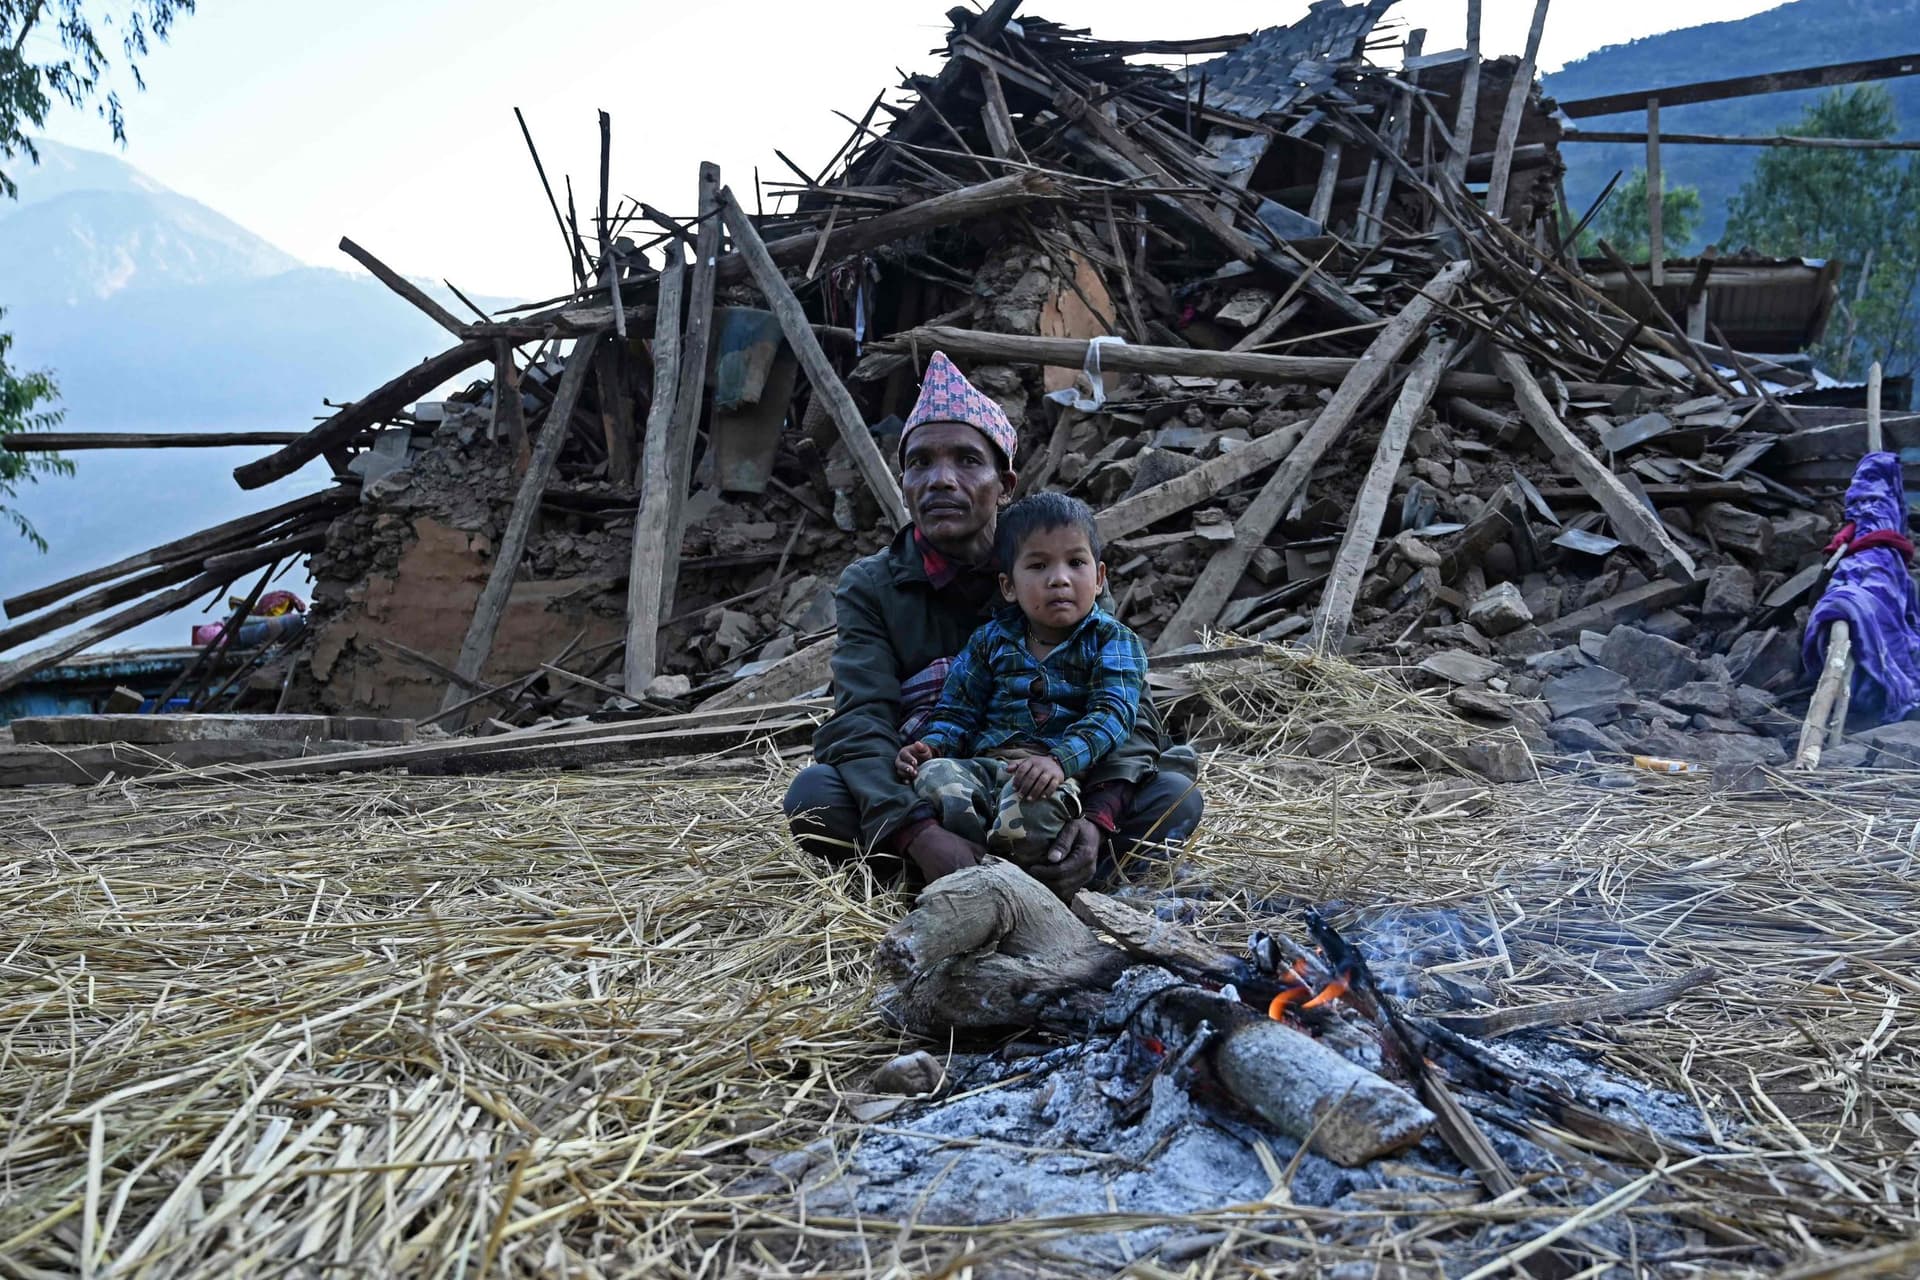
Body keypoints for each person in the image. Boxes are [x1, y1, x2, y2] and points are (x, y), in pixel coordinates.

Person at [782, 350, 1203, 897]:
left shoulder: (1061, 567)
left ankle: (1069, 867)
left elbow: (1129, 713)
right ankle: (939, 875)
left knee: (1173, 794)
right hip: (943, 793)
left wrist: (1098, 817)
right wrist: (918, 832)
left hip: (1060, 782)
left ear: (1004, 484)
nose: (941, 480)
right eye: (920, 464)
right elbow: (860, 723)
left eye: (966, 461)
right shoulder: (872, 586)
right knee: (815, 797)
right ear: (904, 483)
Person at [895, 492, 1145, 862]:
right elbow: (958, 710)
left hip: (1059, 775)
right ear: (1008, 586)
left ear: (1099, 578)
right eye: (1038, 566)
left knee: (1034, 814)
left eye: (1076, 562)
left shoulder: (1112, 639)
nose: (1059, 579)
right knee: (934, 777)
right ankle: (971, 865)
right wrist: (930, 747)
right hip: (985, 765)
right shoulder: (990, 641)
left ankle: (1021, 872)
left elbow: (1113, 713)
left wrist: (1059, 761)